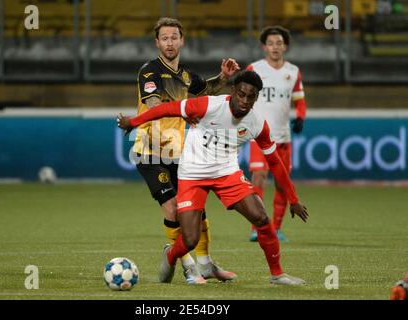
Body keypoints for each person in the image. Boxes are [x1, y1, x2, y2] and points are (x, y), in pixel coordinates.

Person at [118, 70, 309, 285]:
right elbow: (167, 109)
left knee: (262, 218)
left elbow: (275, 162)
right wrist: (134, 121)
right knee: (190, 240)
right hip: (193, 174)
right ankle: (171, 255)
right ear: (233, 91)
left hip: (227, 174)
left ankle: (277, 274)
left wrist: (293, 200)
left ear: (256, 98)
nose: (244, 101)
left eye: (251, 97)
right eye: (241, 94)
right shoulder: (208, 105)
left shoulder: (257, 123)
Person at [132, 17, 239, 284]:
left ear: (182, 40)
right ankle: (188, 265)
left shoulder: (186, 75)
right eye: (164, 38)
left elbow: (206, 90)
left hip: (181, 152)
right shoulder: (149, 71)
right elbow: (155, 103)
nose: (169, 42)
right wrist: (183, 111)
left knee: (196, 209)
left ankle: (206, 264)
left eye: (174, 37)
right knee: (173, 209)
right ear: (157, 42)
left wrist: (224, 78)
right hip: (151, 151)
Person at [246, 26, 307, 242]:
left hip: (283, 138)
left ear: (285, 46)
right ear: (264, 46)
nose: (275, 47)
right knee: (259, 178)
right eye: (271, 43)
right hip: (259, 136)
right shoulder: (254, 69)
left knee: (282, 183)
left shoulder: (293, 72)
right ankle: (257, 228)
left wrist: (300, 117)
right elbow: (242, 96)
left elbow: (299, 101)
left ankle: (277, 228)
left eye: (279, 43)